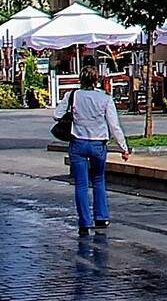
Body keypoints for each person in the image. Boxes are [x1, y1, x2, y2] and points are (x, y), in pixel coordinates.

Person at [59, 68, 131, 236]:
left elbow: (57, 115)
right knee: (98, 180)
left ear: (80, 80)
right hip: (98, 144)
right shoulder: (105, 98)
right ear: (96, 80)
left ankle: (84, 222)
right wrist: (123, 148)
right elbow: (114, 126)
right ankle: (101, 217)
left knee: (81, 184)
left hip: (78, 143)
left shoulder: (72, 95)